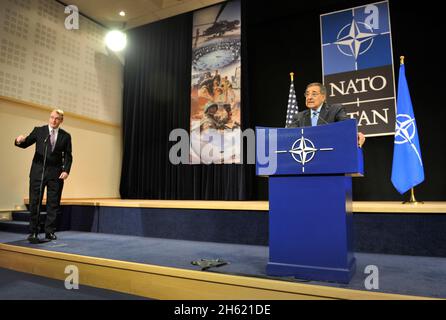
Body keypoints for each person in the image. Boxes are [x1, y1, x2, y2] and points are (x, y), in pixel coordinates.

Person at [14, 109, 72, 243]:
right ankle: (33, 232)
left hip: (55, 174)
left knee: (53, 204)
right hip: (38, 173)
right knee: (35, 202)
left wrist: (66, 170)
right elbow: (26, 143)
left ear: (61, 120)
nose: (53, 120)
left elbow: (68, 155)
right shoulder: (39, 131)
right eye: (52, 117)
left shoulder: (65, 136)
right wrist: (18, 140)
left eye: (57, 118)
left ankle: (49, 232)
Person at [289, 82, 365, 147]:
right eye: (307, 94)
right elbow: (289, 134)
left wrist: (354, 134)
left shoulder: (335, 110)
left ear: (323, 97)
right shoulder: (299, 117)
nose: (309, 97)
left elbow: (345, 126)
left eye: (314, 94)